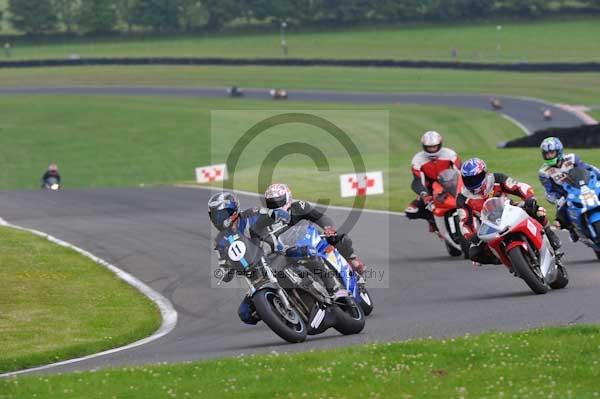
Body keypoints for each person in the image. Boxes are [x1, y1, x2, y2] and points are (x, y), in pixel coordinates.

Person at [209, 191, 344, 325]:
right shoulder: (220, 241)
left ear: (234, 211)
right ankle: (276, 311)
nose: (218, 218)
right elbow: (224, 265)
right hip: (255, 275)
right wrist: (224, 271)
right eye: (215, 215)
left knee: (308, 253)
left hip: (277, 254)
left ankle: (334, 288)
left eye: (221, 214)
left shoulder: (250, 215)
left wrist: (276, 214)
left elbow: (268, 214)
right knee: (244, 313)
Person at [457, 158, 563, 265]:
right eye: (469, 180)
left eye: (476, 178)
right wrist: (471, 236)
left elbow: (518, 186)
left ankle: (549, 234)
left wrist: (529, 198)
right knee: (474, 253)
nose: (473, 182)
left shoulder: (497, 178)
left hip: (510, 209)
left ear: (484, 173)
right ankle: (502, 260)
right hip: (488, 224)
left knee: (536, 210)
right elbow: (464, 222)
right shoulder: (463, 197)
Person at [264, 183, 366, 275]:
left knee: (340, 238)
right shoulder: (265, 219)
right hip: (289, 252)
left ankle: (351, 260)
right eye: (271, 203)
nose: (275, 206)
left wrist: (328, 228)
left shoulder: (300, 207)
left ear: (288, 199)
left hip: (311, 241)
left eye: (278, 202)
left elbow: (320, 217)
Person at [538, 137, 600, 242]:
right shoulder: (544, 172)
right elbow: (549, 192)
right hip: (566, 195)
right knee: (561, 210)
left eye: (551, 152)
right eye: (547, 154)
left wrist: (598, 175)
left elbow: (588, 169)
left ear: (559, 151)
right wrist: (557, 199)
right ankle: (572, 230)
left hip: (584, 187)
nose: (549, 156)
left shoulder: (572, 158)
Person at [405, 131, 461, 232]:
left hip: (449, 183)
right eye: (429, 147)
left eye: (434, 147)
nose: (432, 150)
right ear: (424, 147)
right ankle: (432, 220)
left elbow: (460, 171)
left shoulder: (450, 154)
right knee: (411, 211)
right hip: (429, 187)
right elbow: (417, 180)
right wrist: (424, 194)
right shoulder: (418, 159)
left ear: (439, 145)